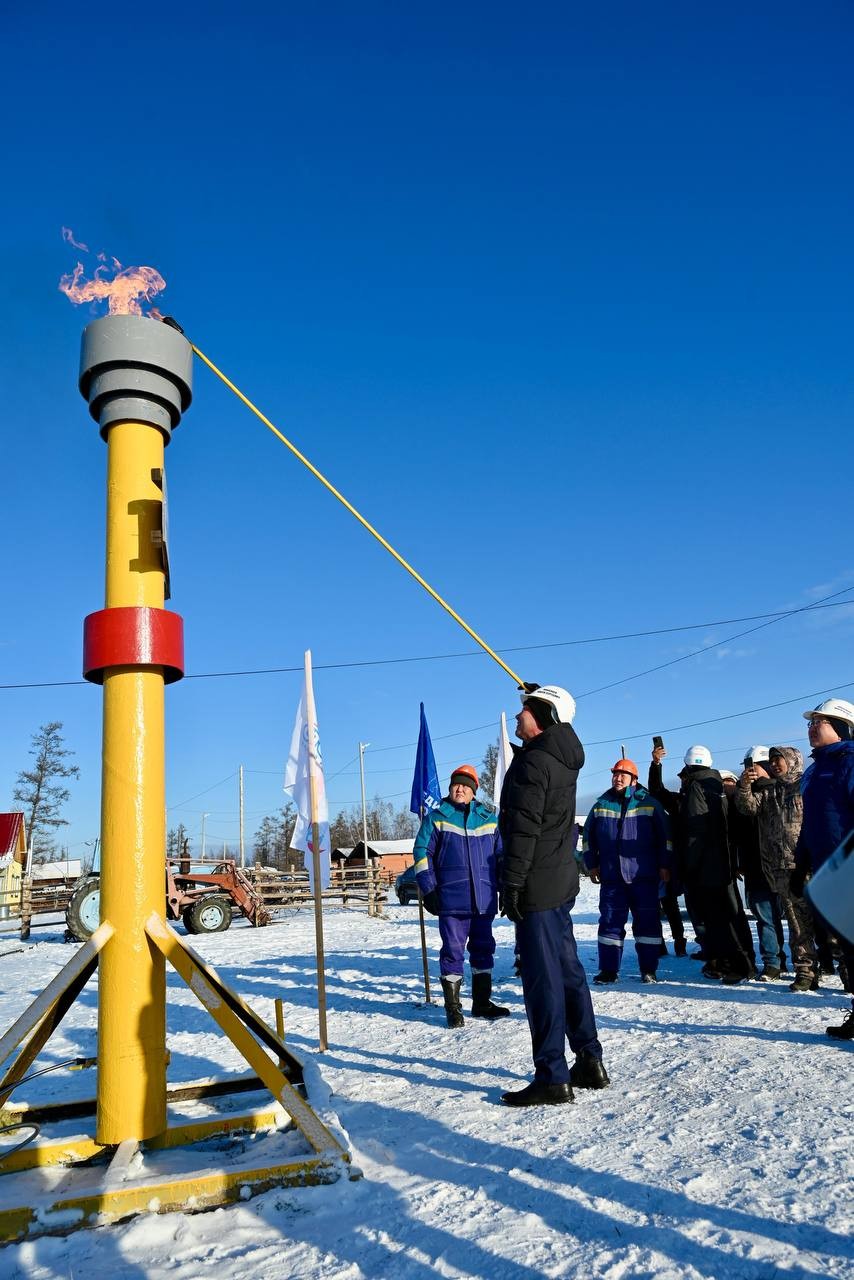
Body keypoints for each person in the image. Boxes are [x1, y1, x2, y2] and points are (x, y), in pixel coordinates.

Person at [498, 683, 608, 1106]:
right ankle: (589, 1059)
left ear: (542, 717)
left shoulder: (533, 764)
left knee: (542, 980)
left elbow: (523, 832)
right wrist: (538, 690)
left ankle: (552, 1075)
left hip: (537, 885)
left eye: (524, 710)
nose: (518, 717)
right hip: (559, 879)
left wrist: (511, 883)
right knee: (567, 971)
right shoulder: (563, 755)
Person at [413, 764, 509, 1028]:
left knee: (484, 950)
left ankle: (481, 1003)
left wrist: (504, 889)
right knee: (452, 952)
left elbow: (501, 856)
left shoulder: (490, 817)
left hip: (484, 899)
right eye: (456, 784)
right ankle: (453, 1009)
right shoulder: (436, 818)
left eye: (466, 786)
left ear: (474, 791)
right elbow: (422, 853)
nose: (460, 789)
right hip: (451, 901)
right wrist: (429, 888)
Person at [649, 744, 753, 983]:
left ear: (687, 767)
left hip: (705, 869)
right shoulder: (713, 785)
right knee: (725, 917)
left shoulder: (696, 789)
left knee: (721, 920)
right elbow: (661, 794)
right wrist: (656, 766)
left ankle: (737, 965)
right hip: (718, 866)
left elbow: (696, 832)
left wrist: (690, 866)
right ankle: (725, 961)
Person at [792, 698, 854, 1038]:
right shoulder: (815, 770)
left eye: (821, 722)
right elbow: (810, 823)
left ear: (842, 727)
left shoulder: (850, 763)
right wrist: (800, 862)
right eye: (810, 723)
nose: (812, 727)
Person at [582, 758, 672, 983]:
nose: (618, 778)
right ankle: (608, 970)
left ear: (634, 779)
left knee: (648, 924)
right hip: (612, 877)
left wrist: (664, 864)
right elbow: (588, 838)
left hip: (644, 877)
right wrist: (592, 863)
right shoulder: (601, 805)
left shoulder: (650, 804)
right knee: (610, 923)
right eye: (615, 774)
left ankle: (648, 969)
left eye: (623, 774)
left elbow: (666, 838)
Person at [734, 748, 808, 983]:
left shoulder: (803, 786)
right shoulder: (760, 793)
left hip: (803, 863)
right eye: (751, 765)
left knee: (813, 920)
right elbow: (746, 808)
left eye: (776, 761)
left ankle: (827, 964)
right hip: (767, 866)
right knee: (780, 920)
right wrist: (744, 786)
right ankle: (787, 966)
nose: (756, 769)